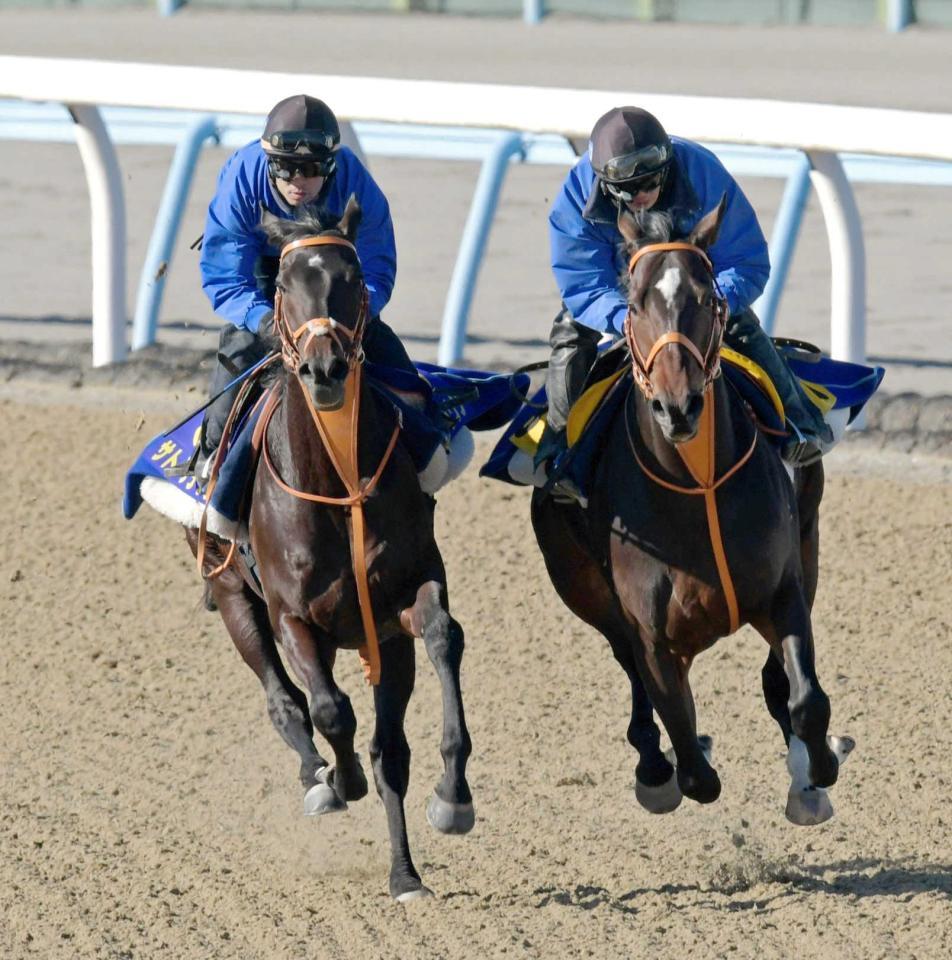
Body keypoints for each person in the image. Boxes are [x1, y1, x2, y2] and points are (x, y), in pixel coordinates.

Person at [538, 105, 832, 479]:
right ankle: (560, 450)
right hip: (621, 286)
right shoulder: (577, 195)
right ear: (604, 185)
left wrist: (715, 303)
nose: (642, 194)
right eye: (628, 189)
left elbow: (745, 260)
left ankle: (799, 423)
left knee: (740, 324)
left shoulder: (701, 171)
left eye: (650, 183)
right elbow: (582, 282)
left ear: (667, 166)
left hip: (693, 280)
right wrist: (627, 318)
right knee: (570, 333)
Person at [193, 93, 418, 476]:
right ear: (269, 161)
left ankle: (423, 458)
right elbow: (227, 276)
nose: (298, 180)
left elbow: (377, 268)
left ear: (331, 164)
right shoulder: (242, 178)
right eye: (285, 167)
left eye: (312, 167)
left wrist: (358, 315)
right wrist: (264, 321)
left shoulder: (355, 182)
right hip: (268, 274)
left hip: (333, 278)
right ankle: (212, 457)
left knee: (401, 373)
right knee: (240, 349)